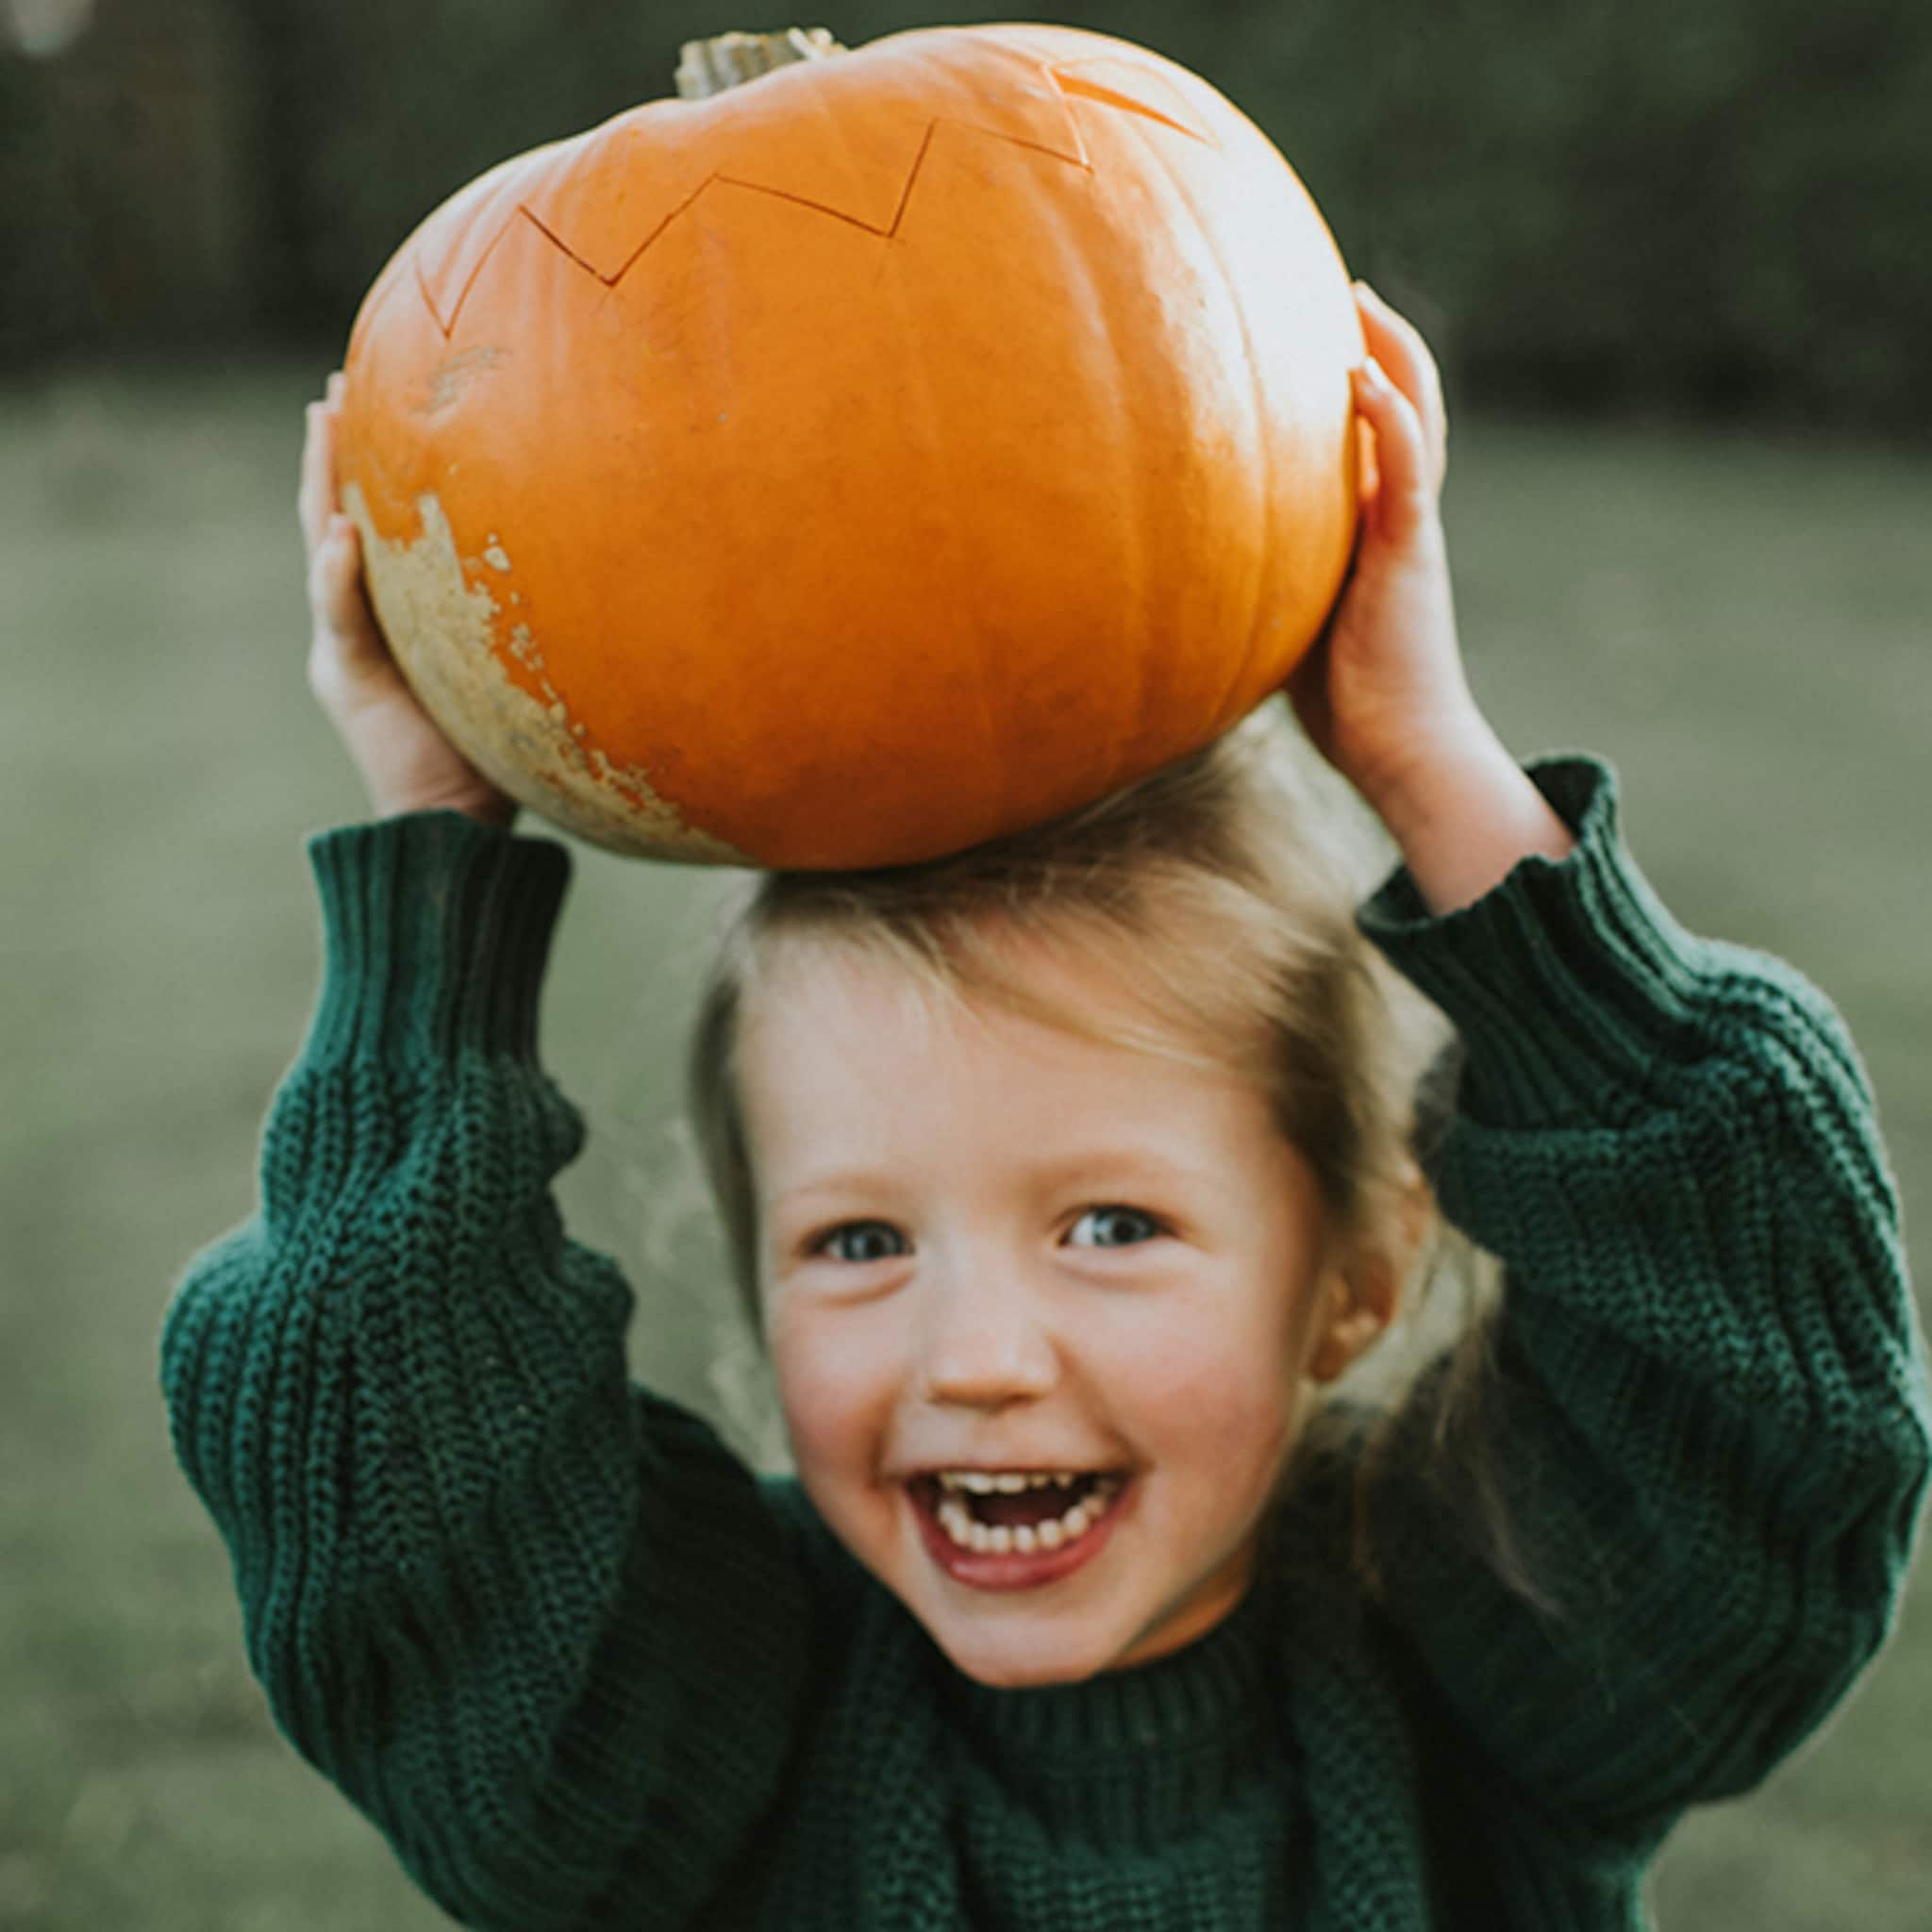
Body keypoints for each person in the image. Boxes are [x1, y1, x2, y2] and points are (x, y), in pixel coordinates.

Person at [160, 284, 1931, 1929]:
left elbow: (1763, 1386)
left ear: (1357, 1276)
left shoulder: (1498, 1654)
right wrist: (432, 835)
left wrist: (1426, 760)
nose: (979, 1354)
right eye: (859, 1240)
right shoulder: (689, 1723)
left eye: (1112, 1225)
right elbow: (378, 1434)